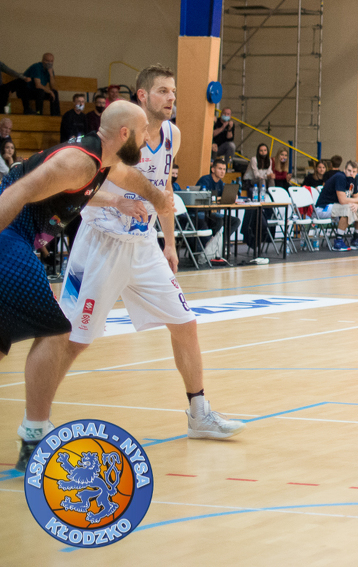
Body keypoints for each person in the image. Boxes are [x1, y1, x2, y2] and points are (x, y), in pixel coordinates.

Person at [60, 65, 245, 445]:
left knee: (185, 324)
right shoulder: (117, 134)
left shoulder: (172, 135)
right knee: (73, 338)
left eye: (173, 91)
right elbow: (74, 188)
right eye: (163, 91)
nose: (171, 98)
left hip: (143, 245)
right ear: (142, 96)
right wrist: (116, 202)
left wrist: (170, 242)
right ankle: (35, 422)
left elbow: (164, 190)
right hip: (101, 241)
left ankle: (199, 414)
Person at [2, 100, 160, 469]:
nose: (148, 138)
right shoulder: (78, 162)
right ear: (124, 134)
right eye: (143, 132)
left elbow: (116, 181)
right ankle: (34, 437)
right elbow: (16, 193)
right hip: (10, 235)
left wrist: (134, 200)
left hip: (16, 238)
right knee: (56, 332)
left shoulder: (101, 161)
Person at [316, 160, 358, 251]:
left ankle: (357, 238)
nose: (351, 173)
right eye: (349, 171)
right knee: (348, 208)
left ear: (356, 172)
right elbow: (343, 200)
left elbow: (356, 198)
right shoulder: (340, 177)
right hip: (324, 207)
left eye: (353, 171)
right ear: (344, 170)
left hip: (337, 207)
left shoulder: (354, 179)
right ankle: (338, 240)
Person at [195, 158, 240, 264]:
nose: (222, 171)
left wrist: (231, 196)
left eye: (224, 169)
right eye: (220, 169)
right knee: (219, 220)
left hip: (212, 213)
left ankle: (220, 244)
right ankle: (212, 247)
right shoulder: (205, 180)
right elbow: (202, 197)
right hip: (201, 213)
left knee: (235, 221)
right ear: (213, 169)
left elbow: (222, 197)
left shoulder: (220, 183)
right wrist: (219, 198)